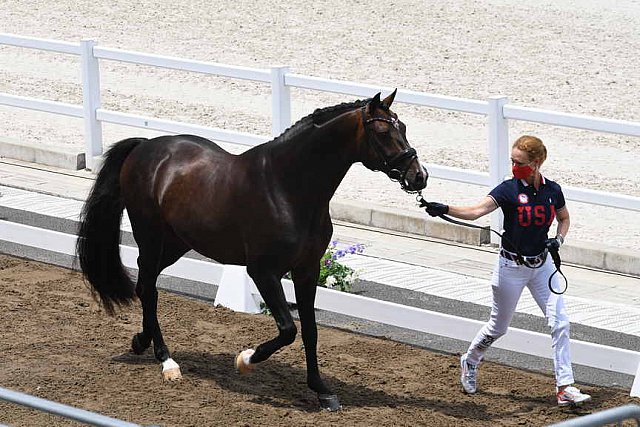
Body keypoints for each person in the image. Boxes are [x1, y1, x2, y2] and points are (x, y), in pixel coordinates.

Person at [423, 135, 591, 407]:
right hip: (511, 266)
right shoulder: (508, 189)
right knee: (498, 327)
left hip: (542, 265)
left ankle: (564, 387)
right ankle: (471, 359)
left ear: (536, 163)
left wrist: (558, 240)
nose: (514, 166)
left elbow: (564, 218)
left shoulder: (553, 190)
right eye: (512, 161)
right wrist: (444, 208)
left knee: (560, 322)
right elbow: (477, 211)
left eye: (519, 162)